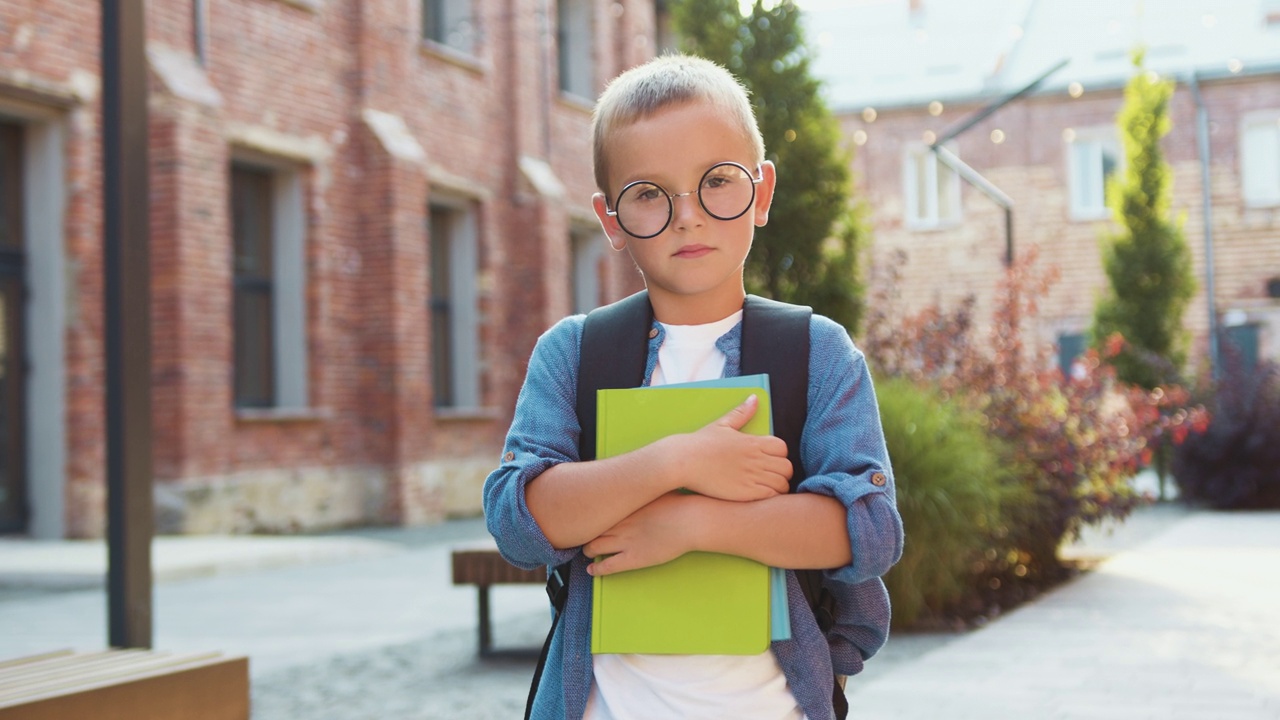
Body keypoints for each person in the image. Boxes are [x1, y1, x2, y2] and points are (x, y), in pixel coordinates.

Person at [483, 54, 903, 720]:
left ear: (760, 192)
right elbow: (519, 525)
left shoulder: (815, 352)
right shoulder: (574, 353)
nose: (688, 216)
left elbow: (869, 531)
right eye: (650, 193)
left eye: (717, 182)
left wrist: (692, 524)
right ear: (611, 219)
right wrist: (677, 461)